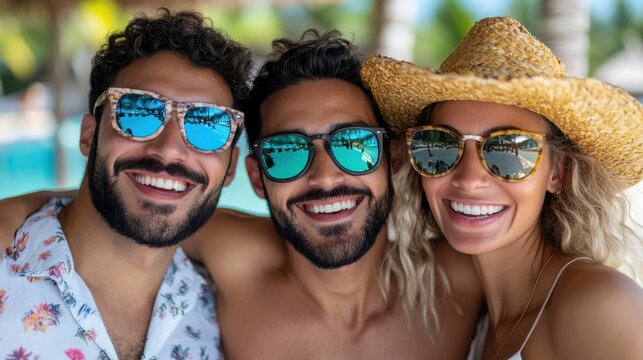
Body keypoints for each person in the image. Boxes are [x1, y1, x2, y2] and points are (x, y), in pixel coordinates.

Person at [0, 30, 483, 359]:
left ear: (392, 159)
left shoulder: (464, 279)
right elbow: (138, 191)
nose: (324, 175)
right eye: (288, 151)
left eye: (353, 145)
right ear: (254, 177)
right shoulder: (235, 262)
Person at [360, 16, 643, 360]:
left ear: (559, 172)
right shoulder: (476, 316)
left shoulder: (597, 304)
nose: (468, 177)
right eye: (440, 144)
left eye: (509, 150)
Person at [0, 9, 252, 359]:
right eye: (138, 111)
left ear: (230, 169)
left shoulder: (225, 313)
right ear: (89, 135)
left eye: (208, 126)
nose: (168, 150)